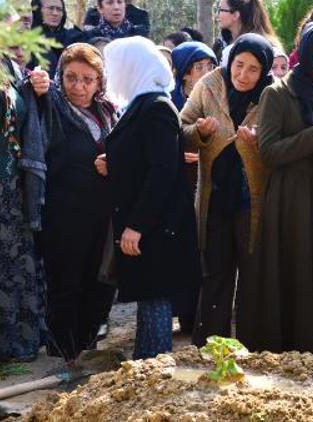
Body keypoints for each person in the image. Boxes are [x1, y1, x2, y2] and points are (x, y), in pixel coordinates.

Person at [236, 22, 313, 357]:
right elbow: (270, 151)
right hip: (291, 200)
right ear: (306, 61)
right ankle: (290, 343)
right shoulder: (277, 93)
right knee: (295, 268)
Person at [101, 36, 201, 360]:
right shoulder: (141, 105)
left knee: (156, 300)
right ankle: (147, 372)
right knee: (149, 300)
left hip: (155, 229)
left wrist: (136, 225)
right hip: (150, 227)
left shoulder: (156, 107)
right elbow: (140, 158)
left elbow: (162, 172)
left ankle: (155, 376)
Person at [180, 34, 274, 347]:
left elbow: (283, 138)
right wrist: (200, 132)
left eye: (253, 69)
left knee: (252, 277)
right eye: (239, 65)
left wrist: (261, 141)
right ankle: (210, 347)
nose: (243, 74)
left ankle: (252, 348)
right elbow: (182, 128)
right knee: (215, 275)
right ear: (229, 61)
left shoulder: (273, 94)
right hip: (215, 199)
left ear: (264, 71)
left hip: (253, 202)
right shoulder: (208, 85)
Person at [42, 43, 119, 361]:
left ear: (99, 82)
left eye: (88, 79)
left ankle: (87, 344)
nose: (79, 86)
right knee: (66, 279)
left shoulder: (107, 111)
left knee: (96, 279)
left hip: (99, 212)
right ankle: (64, 351)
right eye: (71, 78)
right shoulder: (52, 107)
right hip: (64, 212)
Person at [0, 56, 49, 362]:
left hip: (12, 186)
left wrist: (37, 91)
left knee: (14, 265)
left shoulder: (9, 69)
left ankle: (16, 342)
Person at [170, 40, 217, 334]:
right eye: (199, 67)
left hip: (207, 184)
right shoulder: (171, 102)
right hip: (181, 187)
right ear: (185, 73)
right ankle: (184, 313)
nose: (206, 73)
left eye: (210, 66)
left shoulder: (215, 98)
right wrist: (182, 147)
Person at [212, 0, 280, 65]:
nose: (216, 15)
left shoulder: (262, 48)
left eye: (220, 9)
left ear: (235, 15)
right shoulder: (220, 45)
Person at [30, 0, 83, 77]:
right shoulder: (29, 38)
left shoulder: (73, 37)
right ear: (38, 10)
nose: (55, 13)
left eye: (59, 9)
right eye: (51, 8)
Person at [82, 0, 149, 41]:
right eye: (110, 3)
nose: (116, 7)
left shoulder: (138, 34)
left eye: (120, 2)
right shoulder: (89, 37)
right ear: (100, 9)